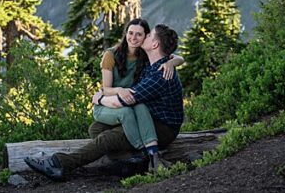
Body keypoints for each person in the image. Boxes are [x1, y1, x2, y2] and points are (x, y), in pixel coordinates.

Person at [25, 24, 184, 181]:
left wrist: (99, 98)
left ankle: (59, 164)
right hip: (145, 117)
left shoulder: (160, 75)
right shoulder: (156, 63)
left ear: (155, 44)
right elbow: (175, 57)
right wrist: (173, 61)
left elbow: (121, 101)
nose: (145, 36)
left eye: (149, 35)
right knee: (97, 128)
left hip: (163, 128)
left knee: (107, 138)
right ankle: (133, 160)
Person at [91, 19, 184, 168]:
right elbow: (107, 89)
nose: (134, 38)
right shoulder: (112, 55)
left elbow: (175, 57)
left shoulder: (146, 57)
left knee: (111, 132)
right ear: (125, 34)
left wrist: (171, 63)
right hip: (119, 100)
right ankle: (129, 158)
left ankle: (143, 154)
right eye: (130, 33)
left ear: (147, 39)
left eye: (141, 35)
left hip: (133, 105)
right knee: (96, 128)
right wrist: (110, 94)